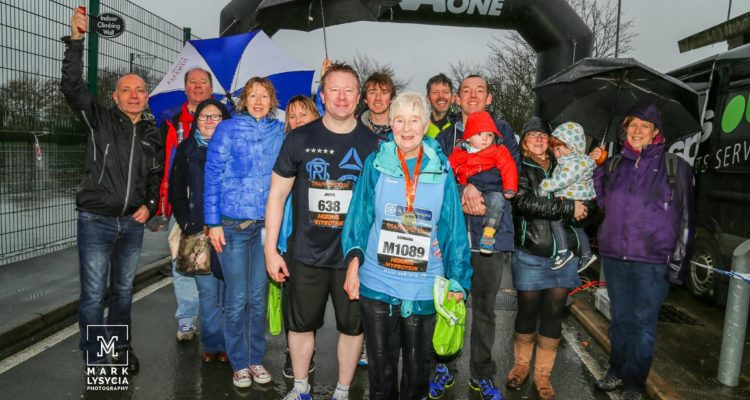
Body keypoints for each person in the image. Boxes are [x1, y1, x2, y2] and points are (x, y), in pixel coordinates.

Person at [341, 92, 472, 400]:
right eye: (399, 119)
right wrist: (353, 262)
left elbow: (453, 228)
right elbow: (359, 216)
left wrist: (458, 278)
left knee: (416, 375)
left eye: (414, 119)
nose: (406, 127)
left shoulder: (440, 168)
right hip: (378, 284)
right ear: (391, 123)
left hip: (424, 286)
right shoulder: (377, 163)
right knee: (381, 374)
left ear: (425, 124)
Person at [265, 63, 378, 400]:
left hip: (353, 258)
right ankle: (301, 389)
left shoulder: (375, 145)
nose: (342, 97)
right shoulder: (300, 138)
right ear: (323, 95)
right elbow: (277, 195)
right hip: (305, 254)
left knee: (352, 326)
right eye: (335, 90)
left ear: (358, 98)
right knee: (300, 326)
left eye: (349, 90)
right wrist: (271, 249)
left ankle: (343, 391)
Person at [62, 7, 163, 373]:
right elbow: (72, 87)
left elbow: (156, 175)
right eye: (126, 90)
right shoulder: (98, 119)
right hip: (96, 221)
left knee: (122, 293)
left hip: (132, 226)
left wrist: (150, 205)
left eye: (140, 90)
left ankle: (118, 348)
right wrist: (76, 41)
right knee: (92, 295)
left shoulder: (155, 133)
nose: (134, 95)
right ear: (115, 96)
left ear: (146, 97)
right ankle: (94, 357)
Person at [590, 104, 693, 400]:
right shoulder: (614, 165)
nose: (636, 131)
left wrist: (679, 265)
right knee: (620, 320)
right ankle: (616, 369)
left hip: (653, 262)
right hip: (615, 258)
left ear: (656, 133)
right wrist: (596, 168)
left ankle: (634, 382)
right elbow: (599, 204)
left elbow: (687, 217)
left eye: (644, 126)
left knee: (643, 325)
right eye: (632, 125)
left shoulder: (676, 167)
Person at [433, 75, 521, 400]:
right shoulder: (445, 137)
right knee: (448, 305)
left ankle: (482, 374)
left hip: (492, 235)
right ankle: (443, 365)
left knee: (485, 309)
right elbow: (435, 181)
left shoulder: (505, 134)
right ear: (457, 98)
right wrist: (462, 188)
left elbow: (515, 176)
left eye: (479, 91)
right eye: (466, 91)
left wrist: (480, 189)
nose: (472, 96)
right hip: (453, 235)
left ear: (489, 98)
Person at [204, 77, 284, 388]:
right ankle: (239, 362)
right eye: (253, 95)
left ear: (272, 99)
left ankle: (255, 359)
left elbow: (312, 124)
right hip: (232, 227)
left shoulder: (279, 131)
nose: (258, 101)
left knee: (257, 297)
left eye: (264, 95)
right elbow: (212, 176)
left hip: (266, 228)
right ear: (243, 99)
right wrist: (212, 223)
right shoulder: (228, 129)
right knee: (236, 299)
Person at [506, 117, 592, 400]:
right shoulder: (519, 166)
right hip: (531, 254)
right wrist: (567, 207)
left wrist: (586, 207)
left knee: (554, 314)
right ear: (524, 141)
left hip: (563, 257)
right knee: (528, 312)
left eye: (544, 135)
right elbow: (524, 203)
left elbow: (591, 203)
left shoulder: (566, 162)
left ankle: (543, 375)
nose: (539, 139)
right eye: (533, 135)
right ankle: (520, 366)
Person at [168, 99, 231, 363]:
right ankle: (212, 343)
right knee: (206, 292)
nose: (208, 121)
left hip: (230, 230)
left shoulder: (235, 148)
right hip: (198, 231)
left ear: (225, 121)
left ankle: (229, 344)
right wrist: (186, 222)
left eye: (215, 117)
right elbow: (175, 188)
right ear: (196, 121)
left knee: (229, 292)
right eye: (204, 116)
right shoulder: (186, 149)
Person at [157, 67, 214, 342]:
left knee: (216, 263)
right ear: (185, 88)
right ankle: (187, 319)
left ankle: (216, 319)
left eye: (203, 82)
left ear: (211, 89)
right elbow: (160, 161)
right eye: (193, 82)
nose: (198, 86)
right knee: (182, 262)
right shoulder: (170, 119)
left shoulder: (222, 117)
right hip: (181, 201)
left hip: (214, 204)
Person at [279, 95, 321, 379]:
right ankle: (291, 352)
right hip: (287, 234)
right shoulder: (283, 144)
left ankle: (309, 350)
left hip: (315, 234)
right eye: (291, 116)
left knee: (311, 297)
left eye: (302, 114)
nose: (296, 120)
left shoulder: (321, 145)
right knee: (292, 298)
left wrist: (325, 78)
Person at [448, 110, 518, 254]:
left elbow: (509, 167)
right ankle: (455, 227)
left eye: (490, 135)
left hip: (490, 191)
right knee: (451, 193)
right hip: (462, 187)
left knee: (498, 200)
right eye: (479, 134)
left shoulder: (499, 150)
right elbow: (448, 171)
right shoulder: (459, 152)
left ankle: (488, 233)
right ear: (468, 137)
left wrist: (510, 188)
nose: (485, 139)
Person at [539, 122, 597, 271]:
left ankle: (564, 251)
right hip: (576, 199)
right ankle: (586, 254)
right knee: (577, 228)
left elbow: (563, 180)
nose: (557, 153)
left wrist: (545, 186)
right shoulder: (569, 162)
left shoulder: (575, 163)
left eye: (561, 147)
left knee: (555, 219)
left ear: (574, 146)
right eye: (555, 149)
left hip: (579, 199)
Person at [360, 71, 395, 144]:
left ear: (391, 99)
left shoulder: (403, 130)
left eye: (384, 92)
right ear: (365, 99)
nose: (378, 98)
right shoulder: (356, 129)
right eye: (372, 92)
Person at [425, 73, 454, 139]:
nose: (441, 96)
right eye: (435, 92)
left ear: (452, 98)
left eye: (445, 92)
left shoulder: (459, 125)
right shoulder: (421, 126)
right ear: (428, 99)